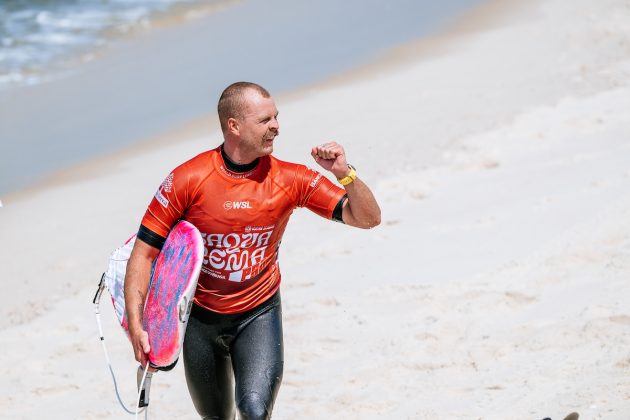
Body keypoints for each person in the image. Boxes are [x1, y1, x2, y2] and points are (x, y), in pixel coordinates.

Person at [124, 81, 381, 419]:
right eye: (265, 120)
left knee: (255, 411)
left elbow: (367, 218)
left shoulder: (291, 179)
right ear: (234, 125)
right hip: (198, 320)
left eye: (276, 117)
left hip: (257, 315)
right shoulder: (187, 179)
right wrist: (137, 324)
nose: (276, 126)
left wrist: (344, 174)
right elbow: (143, 253)